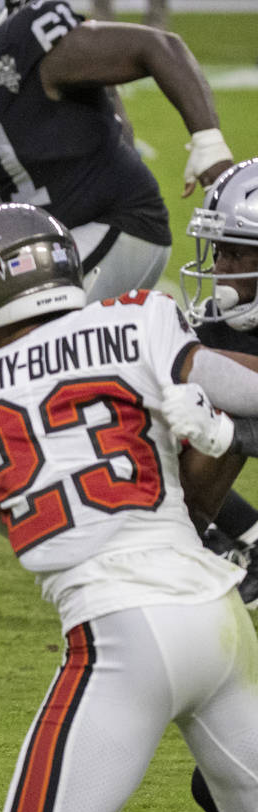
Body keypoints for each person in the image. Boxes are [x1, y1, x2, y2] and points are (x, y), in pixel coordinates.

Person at [0, 202, 258, 812]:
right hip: (220, 619)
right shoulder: (138, 317)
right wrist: (213, 439)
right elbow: (247, 398)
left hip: (119, 633)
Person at [0, 0, 234, 337]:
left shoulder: (25, 46)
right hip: (40, 248)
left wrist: (207, 141)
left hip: (114, 222)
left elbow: (157, 46)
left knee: (20, 331)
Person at [177, 158, 258, 599]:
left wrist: (228, 429)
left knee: (217, 424)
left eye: (237, 253)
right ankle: (177, 549)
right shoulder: (217, 318)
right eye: (219, 251)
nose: (221, 267)